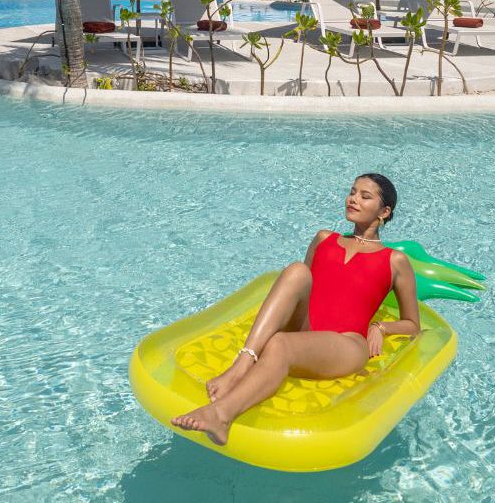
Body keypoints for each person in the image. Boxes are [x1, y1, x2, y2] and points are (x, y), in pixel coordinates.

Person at [170, 174, 422, 447]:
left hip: (347, 344)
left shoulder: (395, 261)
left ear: (384, 212)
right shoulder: (324, 239)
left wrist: (381, 327)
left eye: (365, 196)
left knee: (279, 343)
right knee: (297, 270)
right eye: (352, 192)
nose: (353, 199)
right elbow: (302, 291)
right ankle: (242, 365)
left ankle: (222, 415)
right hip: (308, 329)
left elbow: (412, 323)